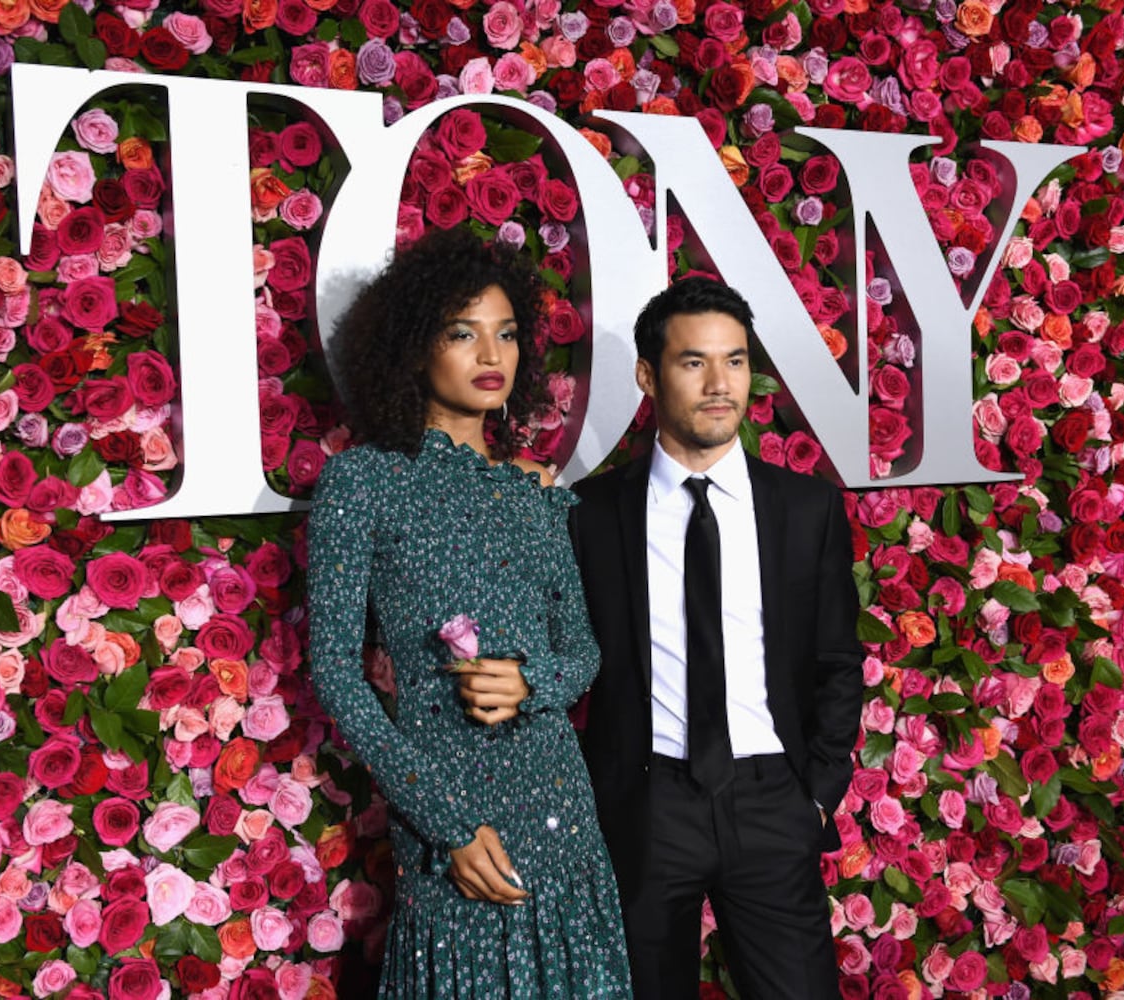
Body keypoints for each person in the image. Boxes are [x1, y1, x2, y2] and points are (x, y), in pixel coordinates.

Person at [307, 227, 632, 998]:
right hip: (450, 816)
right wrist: (443, 822)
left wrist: (533, 682)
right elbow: (336, 674)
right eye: (463, 333)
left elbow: (583, 651)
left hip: (559, 807)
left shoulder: (532, 493)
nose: (492, 354)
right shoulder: (363, 484)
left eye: (507, 334)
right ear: (414, 347)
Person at [569, 276, 863, 999]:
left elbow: (836, 659)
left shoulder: (805, 508)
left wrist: (817, 795)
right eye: (692, 362)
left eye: (733, 361)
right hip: (645, 804)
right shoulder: (589, 515)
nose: (718, 383)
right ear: (648, 375)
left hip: (771, 800)